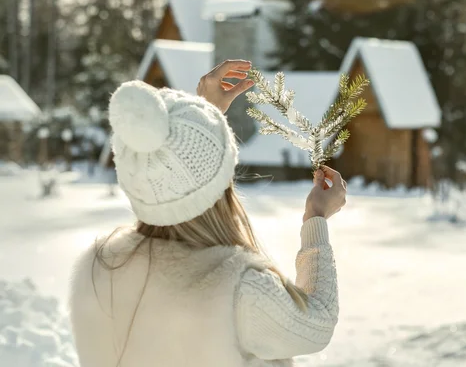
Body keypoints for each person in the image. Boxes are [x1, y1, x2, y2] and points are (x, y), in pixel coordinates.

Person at [68, 60, 346, 367]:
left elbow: (172, 174)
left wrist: (204, 118)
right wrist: (316, 219)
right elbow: (316, 325)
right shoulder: (237, 290)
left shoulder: (97, 270)